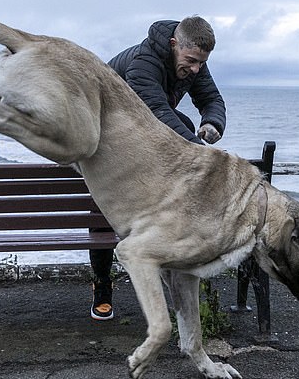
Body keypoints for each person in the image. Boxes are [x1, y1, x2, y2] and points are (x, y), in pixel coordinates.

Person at [89, 16, 227, 320]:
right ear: (174, 45)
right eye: (191, 61)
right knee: (102, 211)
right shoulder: (142, 63)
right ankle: (102, 285)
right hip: (106, 132)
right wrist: (199, 151)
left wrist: (212, 122)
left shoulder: (193, 62)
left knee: (189, 126)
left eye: (201, 63)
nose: (195, 69)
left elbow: (211, 98)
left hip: (141, 133)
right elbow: (157, 112)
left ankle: (174, 269)